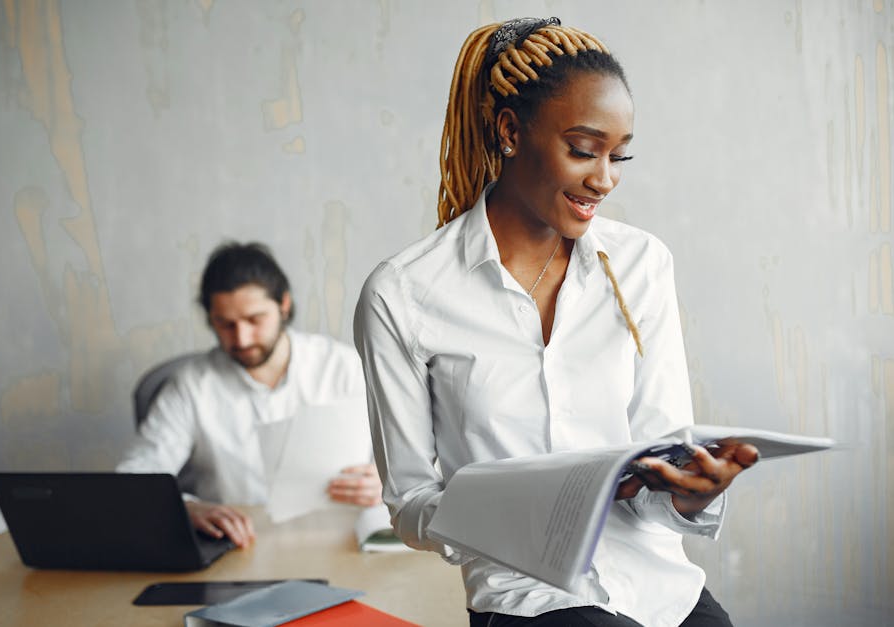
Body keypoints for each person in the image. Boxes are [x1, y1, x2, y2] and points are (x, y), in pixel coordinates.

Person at [353, 17, 759, 627]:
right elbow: (411, 505)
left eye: (619, 156)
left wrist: (685, 494)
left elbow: (661, 448)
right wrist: (521, 511)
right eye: (582, 150)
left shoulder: (641, 264)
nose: (605, 179)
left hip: (656, 590)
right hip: (528, 598)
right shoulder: (404, 294)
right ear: (511, 131)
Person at [119, 241, 381, 549]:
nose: (241, 338)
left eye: (255, 320)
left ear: (284, 305)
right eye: (225, 324)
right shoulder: (190, 385)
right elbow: (134, 481)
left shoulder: (344, 367)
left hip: (342, 542)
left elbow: (415, 461)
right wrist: (187, 508)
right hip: (236, 547)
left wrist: (385, 482)